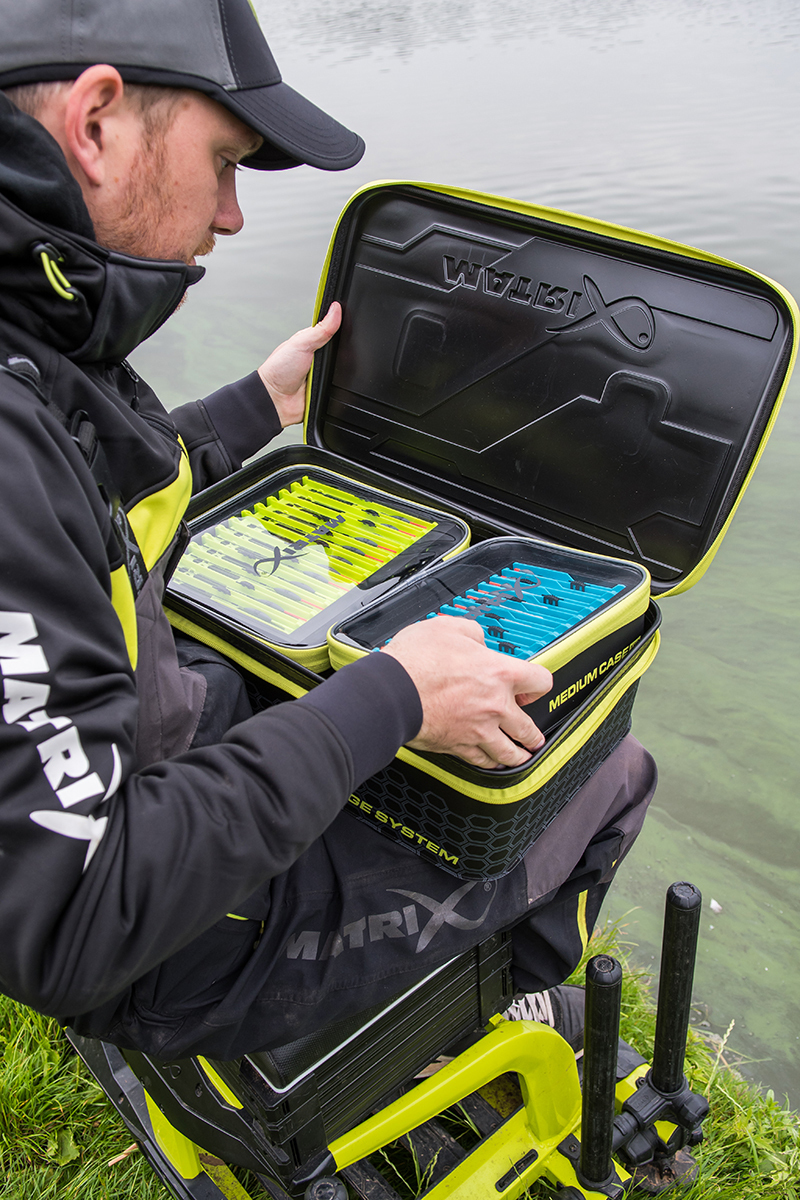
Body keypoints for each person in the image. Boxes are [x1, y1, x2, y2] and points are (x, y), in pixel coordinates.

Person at [0, 0, 656, 1063]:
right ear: (97, 122)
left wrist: (258, 405)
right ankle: (463, 1023)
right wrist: (395, 696)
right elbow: (80, 915)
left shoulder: (29, 332)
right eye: (223, 162)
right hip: (163, 943)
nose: (230, 216)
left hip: (152, 747)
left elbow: (81, 497)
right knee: (612, 778)